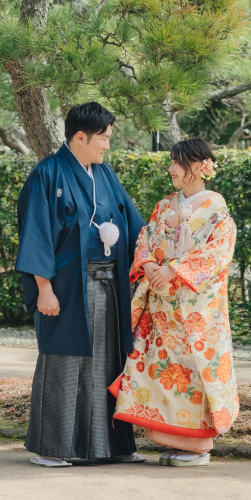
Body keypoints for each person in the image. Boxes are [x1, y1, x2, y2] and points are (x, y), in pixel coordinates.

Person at [15, 101, 146, 467]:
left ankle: (112, 446)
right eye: (103, 139)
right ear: (80, 136)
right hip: (67, 287)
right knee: (64, 361)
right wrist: (44, 288)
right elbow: (36, 233)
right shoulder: (47, 174)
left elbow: (133, 225)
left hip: (108, 284)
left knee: (108, 362)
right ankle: (52, 448)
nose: (107, 146)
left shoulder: (105, 175)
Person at [110, 137, 238, 468]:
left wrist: (174, 269)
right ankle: (171, 441)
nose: (170, 169)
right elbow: (146, 237)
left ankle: (198, 448)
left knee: (196, 372)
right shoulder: (166, 204)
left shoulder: (216, 209)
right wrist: (150, 265)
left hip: (197, 312)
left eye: (176, 163)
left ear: (197, 168)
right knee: (165, 373)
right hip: (164, 309)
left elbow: (217, 254)